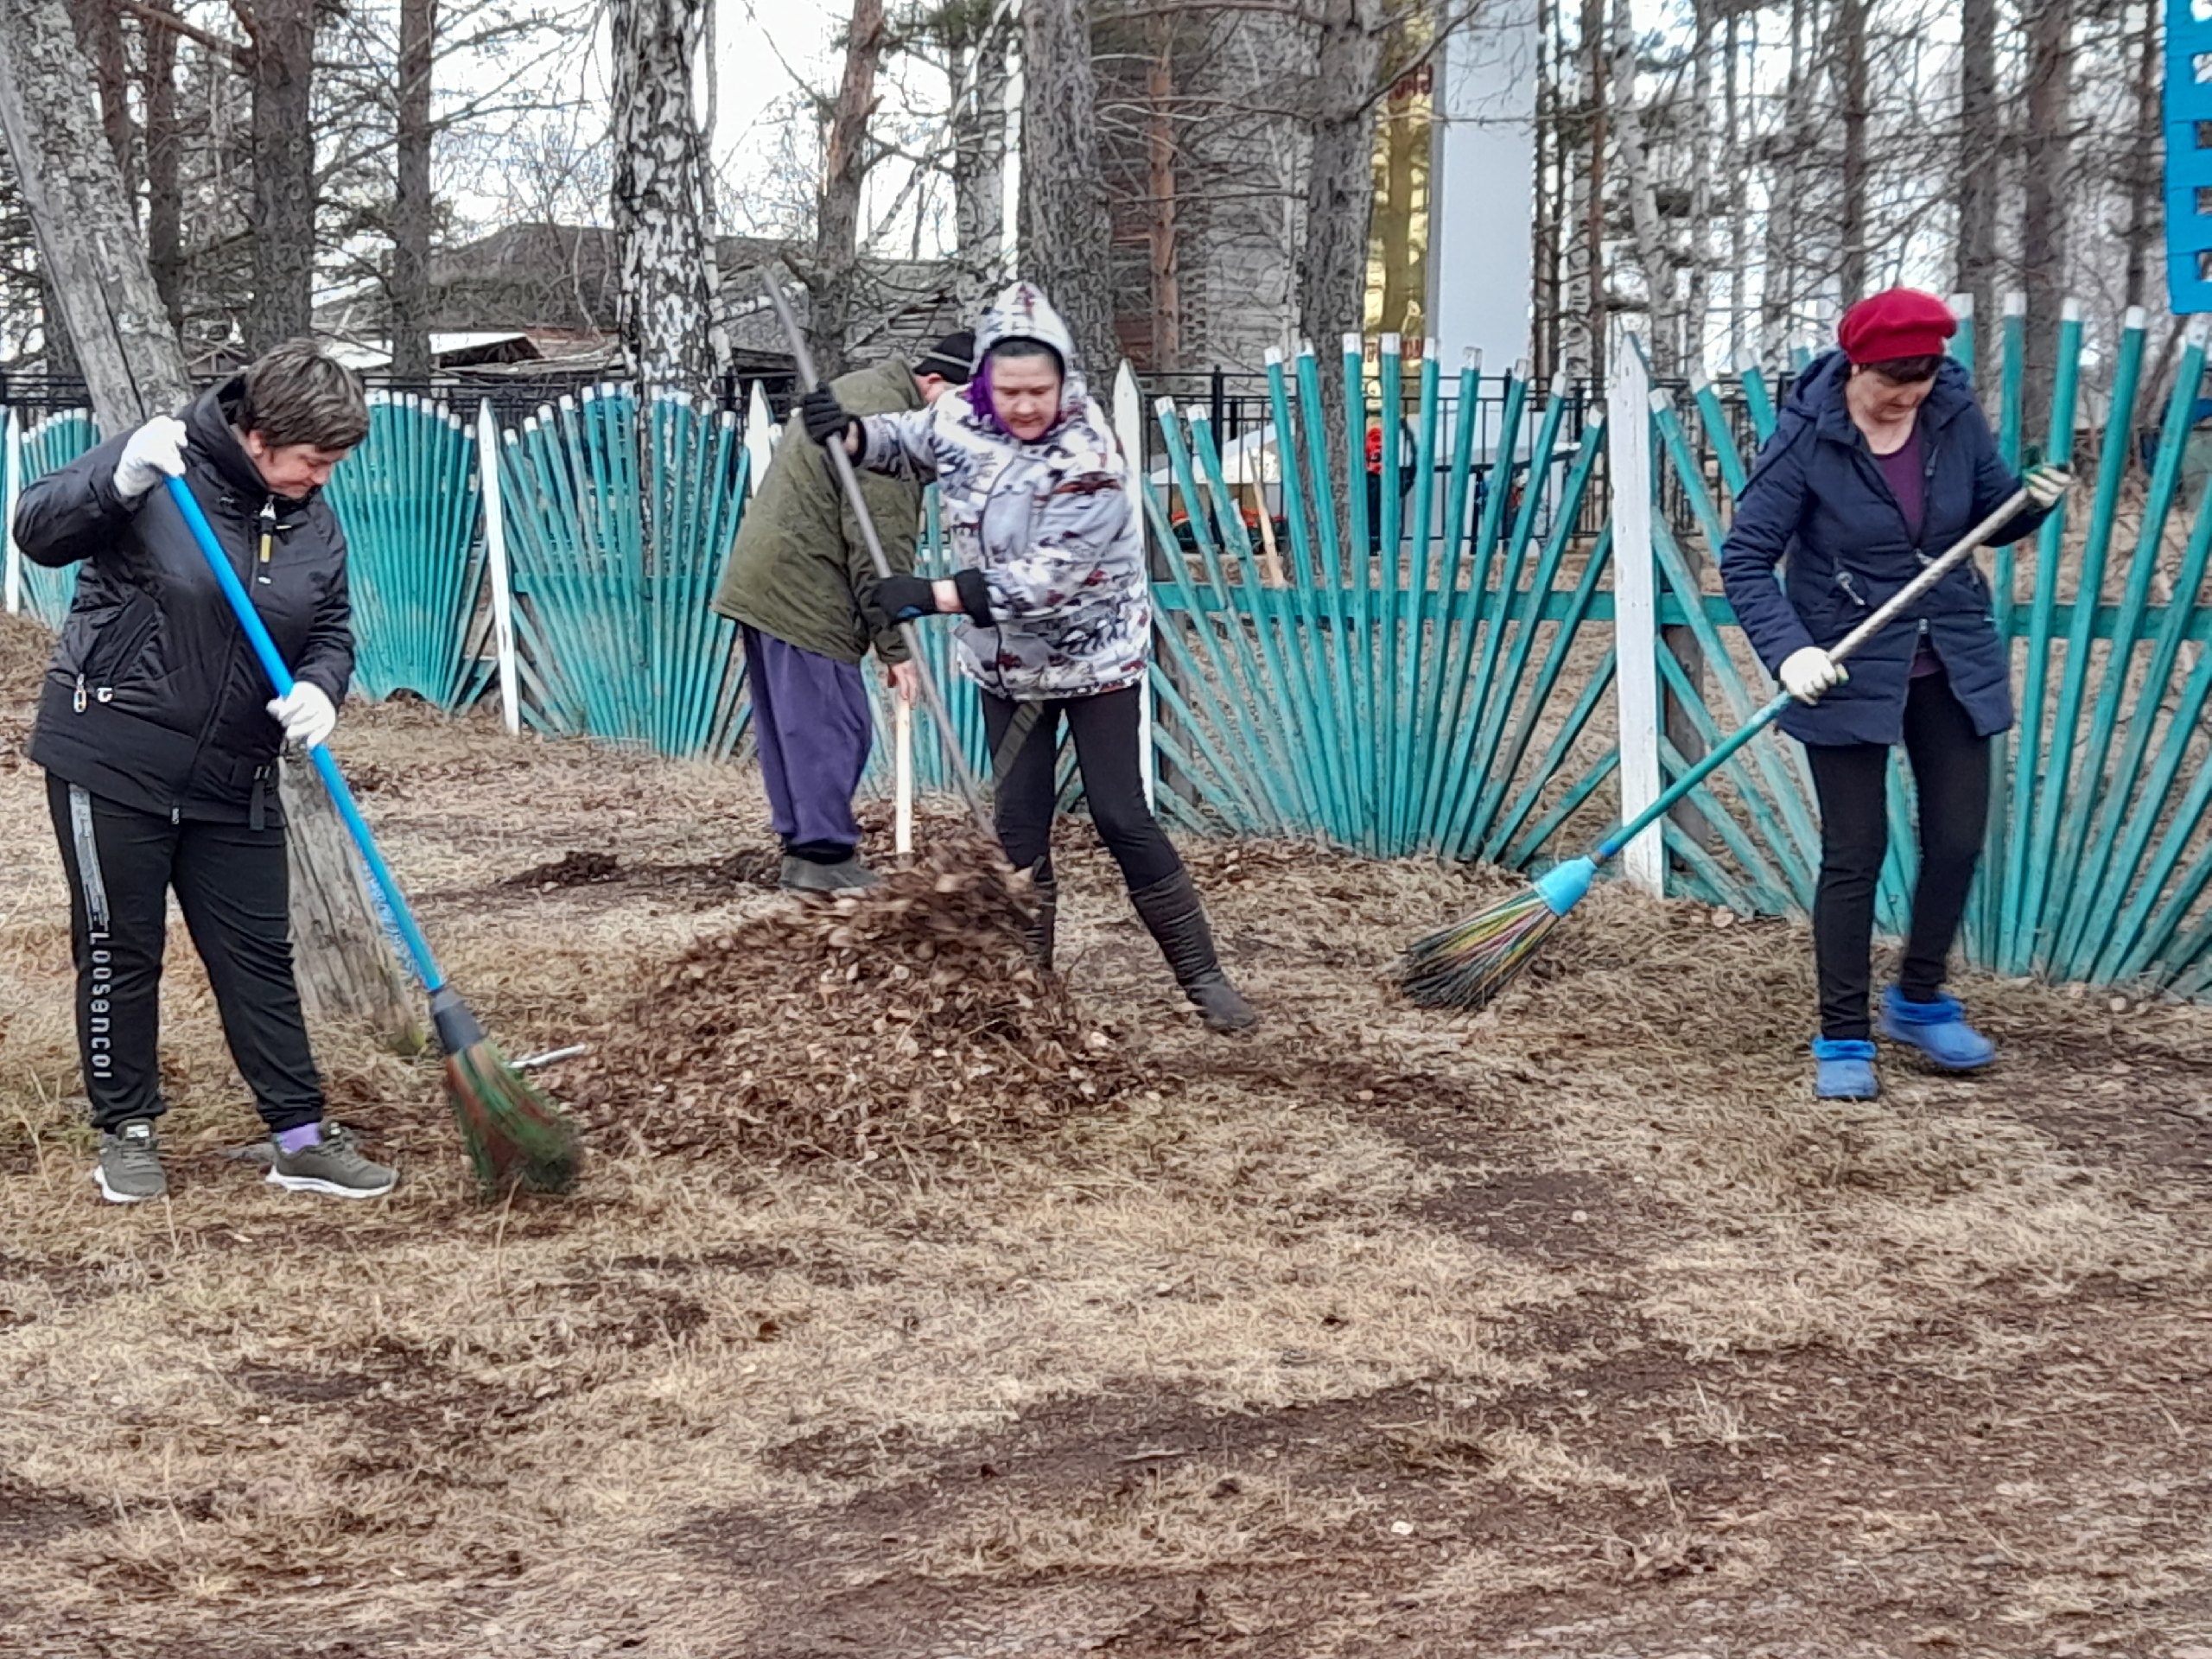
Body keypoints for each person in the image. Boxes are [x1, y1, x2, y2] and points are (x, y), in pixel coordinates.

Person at [798, 281, 1259, 1034]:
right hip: (1006, 664)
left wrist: (933, 595)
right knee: (1018, 829)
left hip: (1092, 658)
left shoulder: (1090, 453)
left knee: (1120, 815)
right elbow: (911, 441)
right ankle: (1030, 986)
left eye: (1037, 390)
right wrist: (851, 436)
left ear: (1062, 378)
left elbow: (1050, 580)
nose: (1022, 406)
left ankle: (1204, 979)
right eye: (1008, 389)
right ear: (984, 380)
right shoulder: (959, 413)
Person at [16, 339, 398, 1203]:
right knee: (122, 949)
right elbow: (36, 527)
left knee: (258, 952)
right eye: (314, 460)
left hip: (236, 773)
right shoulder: (164, 462)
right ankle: (129, 1130)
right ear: (260, 435)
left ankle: (299, 1136)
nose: (323, 479)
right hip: (112, 754)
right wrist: (120, 479)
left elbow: (331, 624)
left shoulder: (308, 516)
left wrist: (320, 686)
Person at [1719, 289, 2069, 1101]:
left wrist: (2028, 506)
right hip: (1843, 662)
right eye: (1891, 390)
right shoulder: (1806, 438)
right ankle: (1843, 1034)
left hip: (1948, 650)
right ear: (1856, 369)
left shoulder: (1951, 414)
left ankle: (1918, 998)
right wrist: (1789, 652)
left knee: (1956, 838)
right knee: (1856, 853)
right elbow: (1745, 561)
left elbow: (1984, 519)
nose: (1905, 402)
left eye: (1919, 387)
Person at [711, 331, 976, 891]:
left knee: (798, 726)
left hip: (772, 575)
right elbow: (879, 548)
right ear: (934, 384)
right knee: (832, 726)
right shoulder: (888, 421)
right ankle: (825, 859)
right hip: (807, 584)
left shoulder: (868, 389)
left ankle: (805, 848)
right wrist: (896, 650)